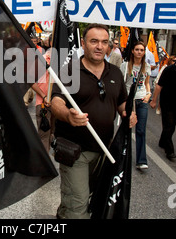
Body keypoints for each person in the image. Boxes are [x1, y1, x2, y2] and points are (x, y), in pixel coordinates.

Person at [51, 23, 137, 219]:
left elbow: (121, 103)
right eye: (94, 41)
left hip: (105, 150)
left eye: (104, 42)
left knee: (92, 196)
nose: (100, 46)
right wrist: (68, 115)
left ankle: (63, 214)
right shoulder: (70, 70)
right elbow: (56, 103)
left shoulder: (115, 72)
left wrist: (128, 113)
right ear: (83, 43)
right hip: (75, 151)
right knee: (78, 207)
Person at [120, 41, 151, 170]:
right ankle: (122, 156)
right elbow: (121, 84)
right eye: (137, 49)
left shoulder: (147, 66)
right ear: (132, 51)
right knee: (126, 129)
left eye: (142, 50)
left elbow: (147, 83)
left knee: (141, 130)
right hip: (129, 100)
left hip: (142, 100)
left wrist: (149, 94)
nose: (139, 52)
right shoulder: (125, 65)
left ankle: (141, 160)